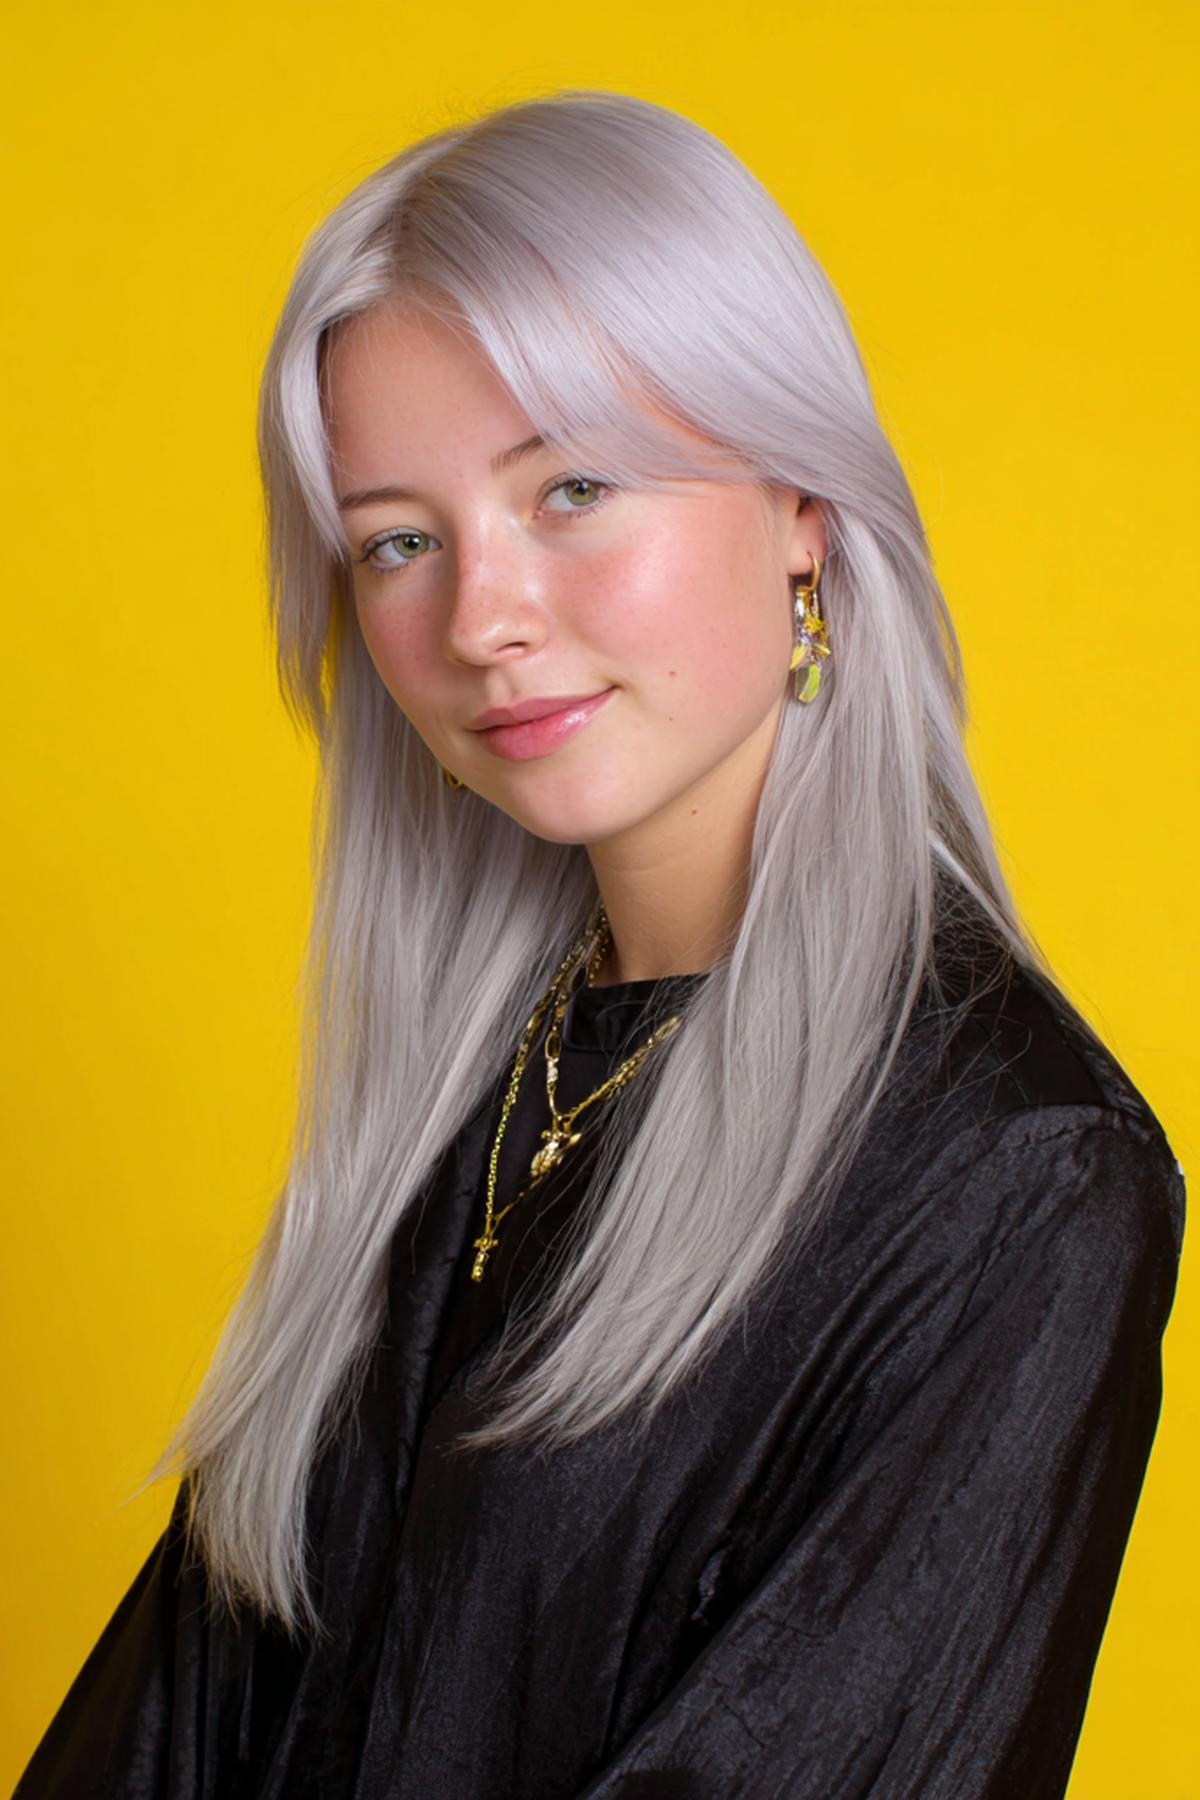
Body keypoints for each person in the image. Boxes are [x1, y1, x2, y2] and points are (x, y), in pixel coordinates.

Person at [17, 88, 1184, 1800]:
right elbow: (178, 1726)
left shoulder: (1019, 1178)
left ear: (800, 503)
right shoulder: (474, 1087)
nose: (479, 619)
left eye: (571, 486)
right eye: (399, 542)